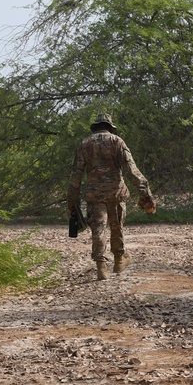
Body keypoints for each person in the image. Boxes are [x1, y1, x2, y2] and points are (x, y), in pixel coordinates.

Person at [67, 113, 156, 281]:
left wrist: (72, 202)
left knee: (98, 229)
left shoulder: (85, 144)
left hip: (95, 195)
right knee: (116, 227)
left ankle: (101, 266)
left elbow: (75, 176)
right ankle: (119, 260)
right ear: (109, 127)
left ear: (96, 126)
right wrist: (145, 193)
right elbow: (131, 170)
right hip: (115, 192)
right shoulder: (117, 142)